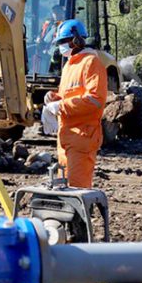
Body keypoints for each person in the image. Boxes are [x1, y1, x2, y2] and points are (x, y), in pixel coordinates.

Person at [43, 19, 107, 188]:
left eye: (64, 42)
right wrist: (53, 98)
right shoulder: (70, 65)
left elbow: (95, 99)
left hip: (82, 137)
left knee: (77, 189)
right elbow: (68, 95)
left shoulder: (92, 63)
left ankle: (80, 216)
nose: (61, 46)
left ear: (76, 40)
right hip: (66, 138)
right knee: (64, 189)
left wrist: (60, 106)